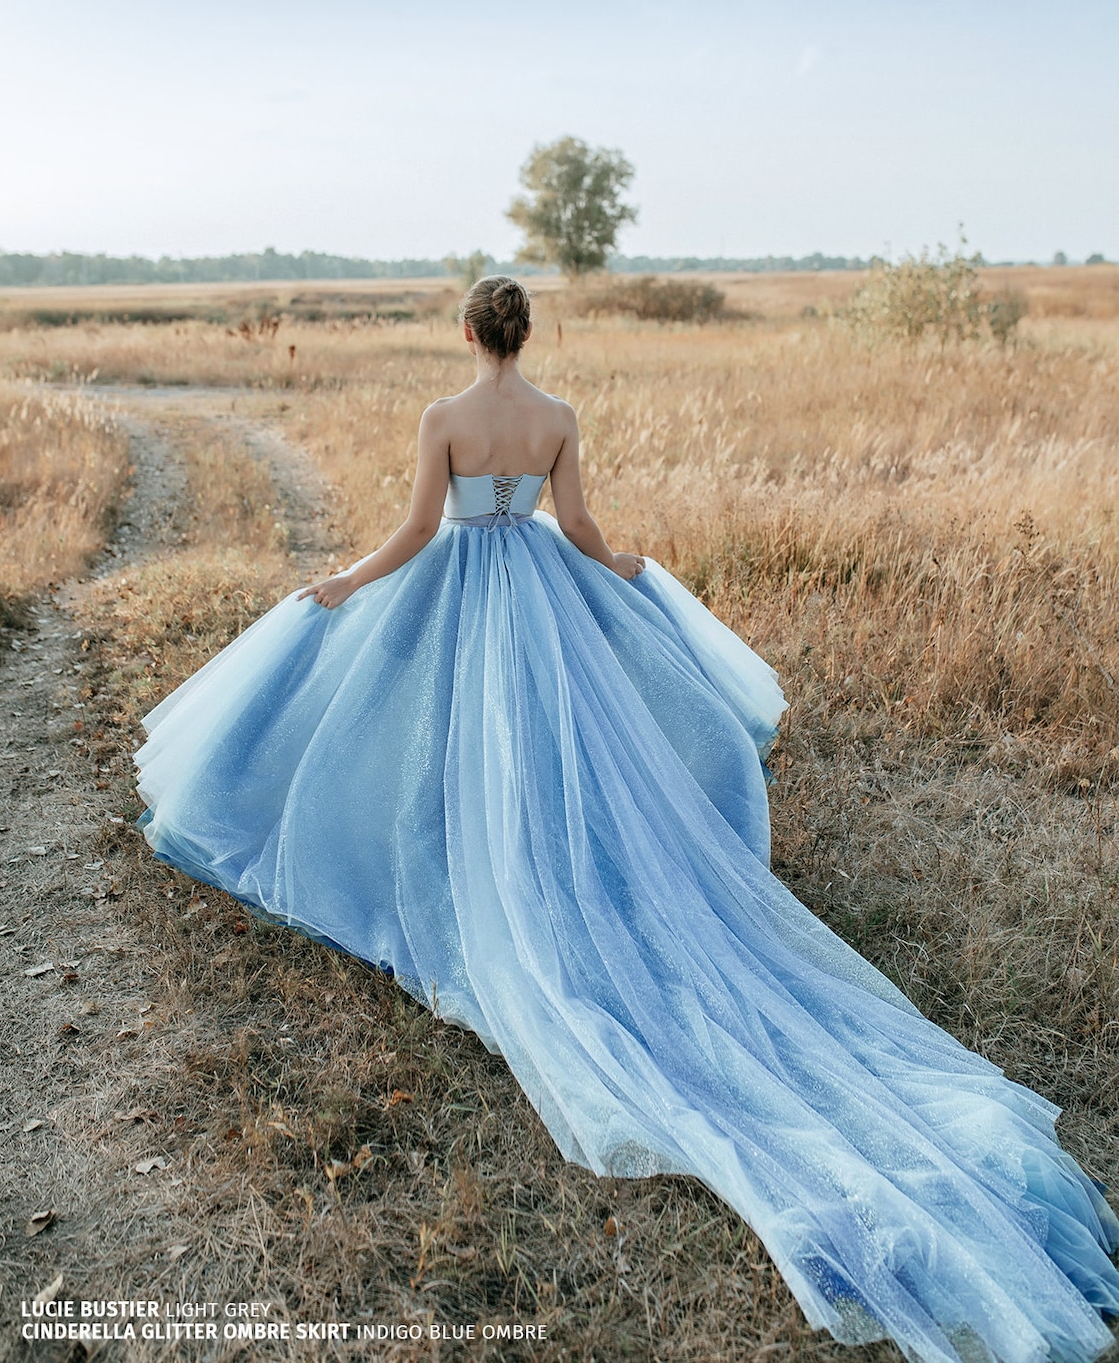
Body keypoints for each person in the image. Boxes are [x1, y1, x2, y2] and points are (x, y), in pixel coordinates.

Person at [135, 276, 1119, 1363]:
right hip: (543, 596)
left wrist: (344, 581)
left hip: (462, 589)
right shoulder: (554, 417)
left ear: (468, 332)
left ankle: (480, 871)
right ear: (526, 333)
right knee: (559, 751)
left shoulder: (442, 418)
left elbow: (419, 528)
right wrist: (620, 568)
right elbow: (582, 524)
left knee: (455, 745)